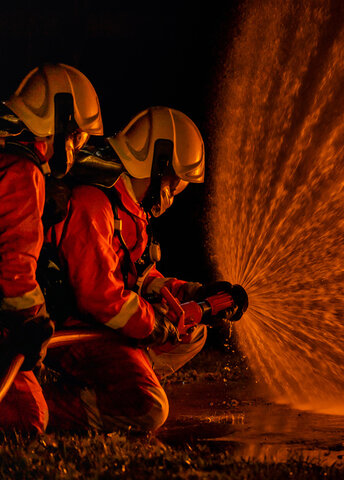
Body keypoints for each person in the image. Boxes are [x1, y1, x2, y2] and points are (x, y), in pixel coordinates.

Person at [43, 106, 245, 432]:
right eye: (175, 180)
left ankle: (125, 375)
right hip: (73, 330)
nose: (174, 191)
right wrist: (152, 324)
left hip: (104, 324)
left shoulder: (130, 207)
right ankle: (46, 403)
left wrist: (193, 294)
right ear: (158, 162)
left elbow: (140, 277)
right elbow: (99, 296)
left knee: (192, 331)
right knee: (149, 410)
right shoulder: (94, 203)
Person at [0, 64, 103, 434]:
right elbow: (15, 270)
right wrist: (31, 324)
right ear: (58, 120)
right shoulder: (21, 171)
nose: (75, 148)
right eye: (75, 136)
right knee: (30, 417)